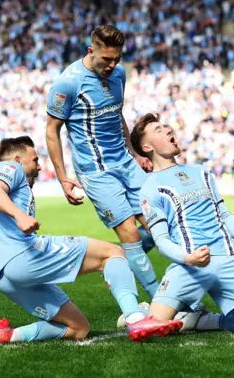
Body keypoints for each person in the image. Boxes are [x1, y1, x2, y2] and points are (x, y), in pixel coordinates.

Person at [45, 25, 197, 322]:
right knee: (128, 231)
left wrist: (135, 152)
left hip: (125, 163)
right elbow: (52, 131)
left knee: (158, 223)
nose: (112, 65)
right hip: (96, 171)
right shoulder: (67, 83)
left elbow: (118, 115)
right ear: (91, 51)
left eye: (117, 58)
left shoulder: (118, 74)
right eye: (106, 59)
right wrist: (63, 176)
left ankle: (127, 266)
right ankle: (161, 301)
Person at [0, 136, 183, 345]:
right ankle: (136, 318)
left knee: (79, 328)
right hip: (25, 256)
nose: (39, 167)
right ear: (19, 159)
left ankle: (9, 335)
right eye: (35, 160)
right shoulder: (9, 167)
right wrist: (20, 216)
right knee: (112, 253)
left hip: (7, 279)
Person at [129, 113, 234, 336]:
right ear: (147, 146)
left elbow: (224, 214)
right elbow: (161, 241)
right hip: (189, 267)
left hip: (229, 260)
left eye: (165, 126)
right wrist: (188, 258)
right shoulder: (150, 187)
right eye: (159, 130)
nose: (168, 129)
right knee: (151, 326)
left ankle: (213, 320)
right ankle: (143, 312)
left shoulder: (201, 172)